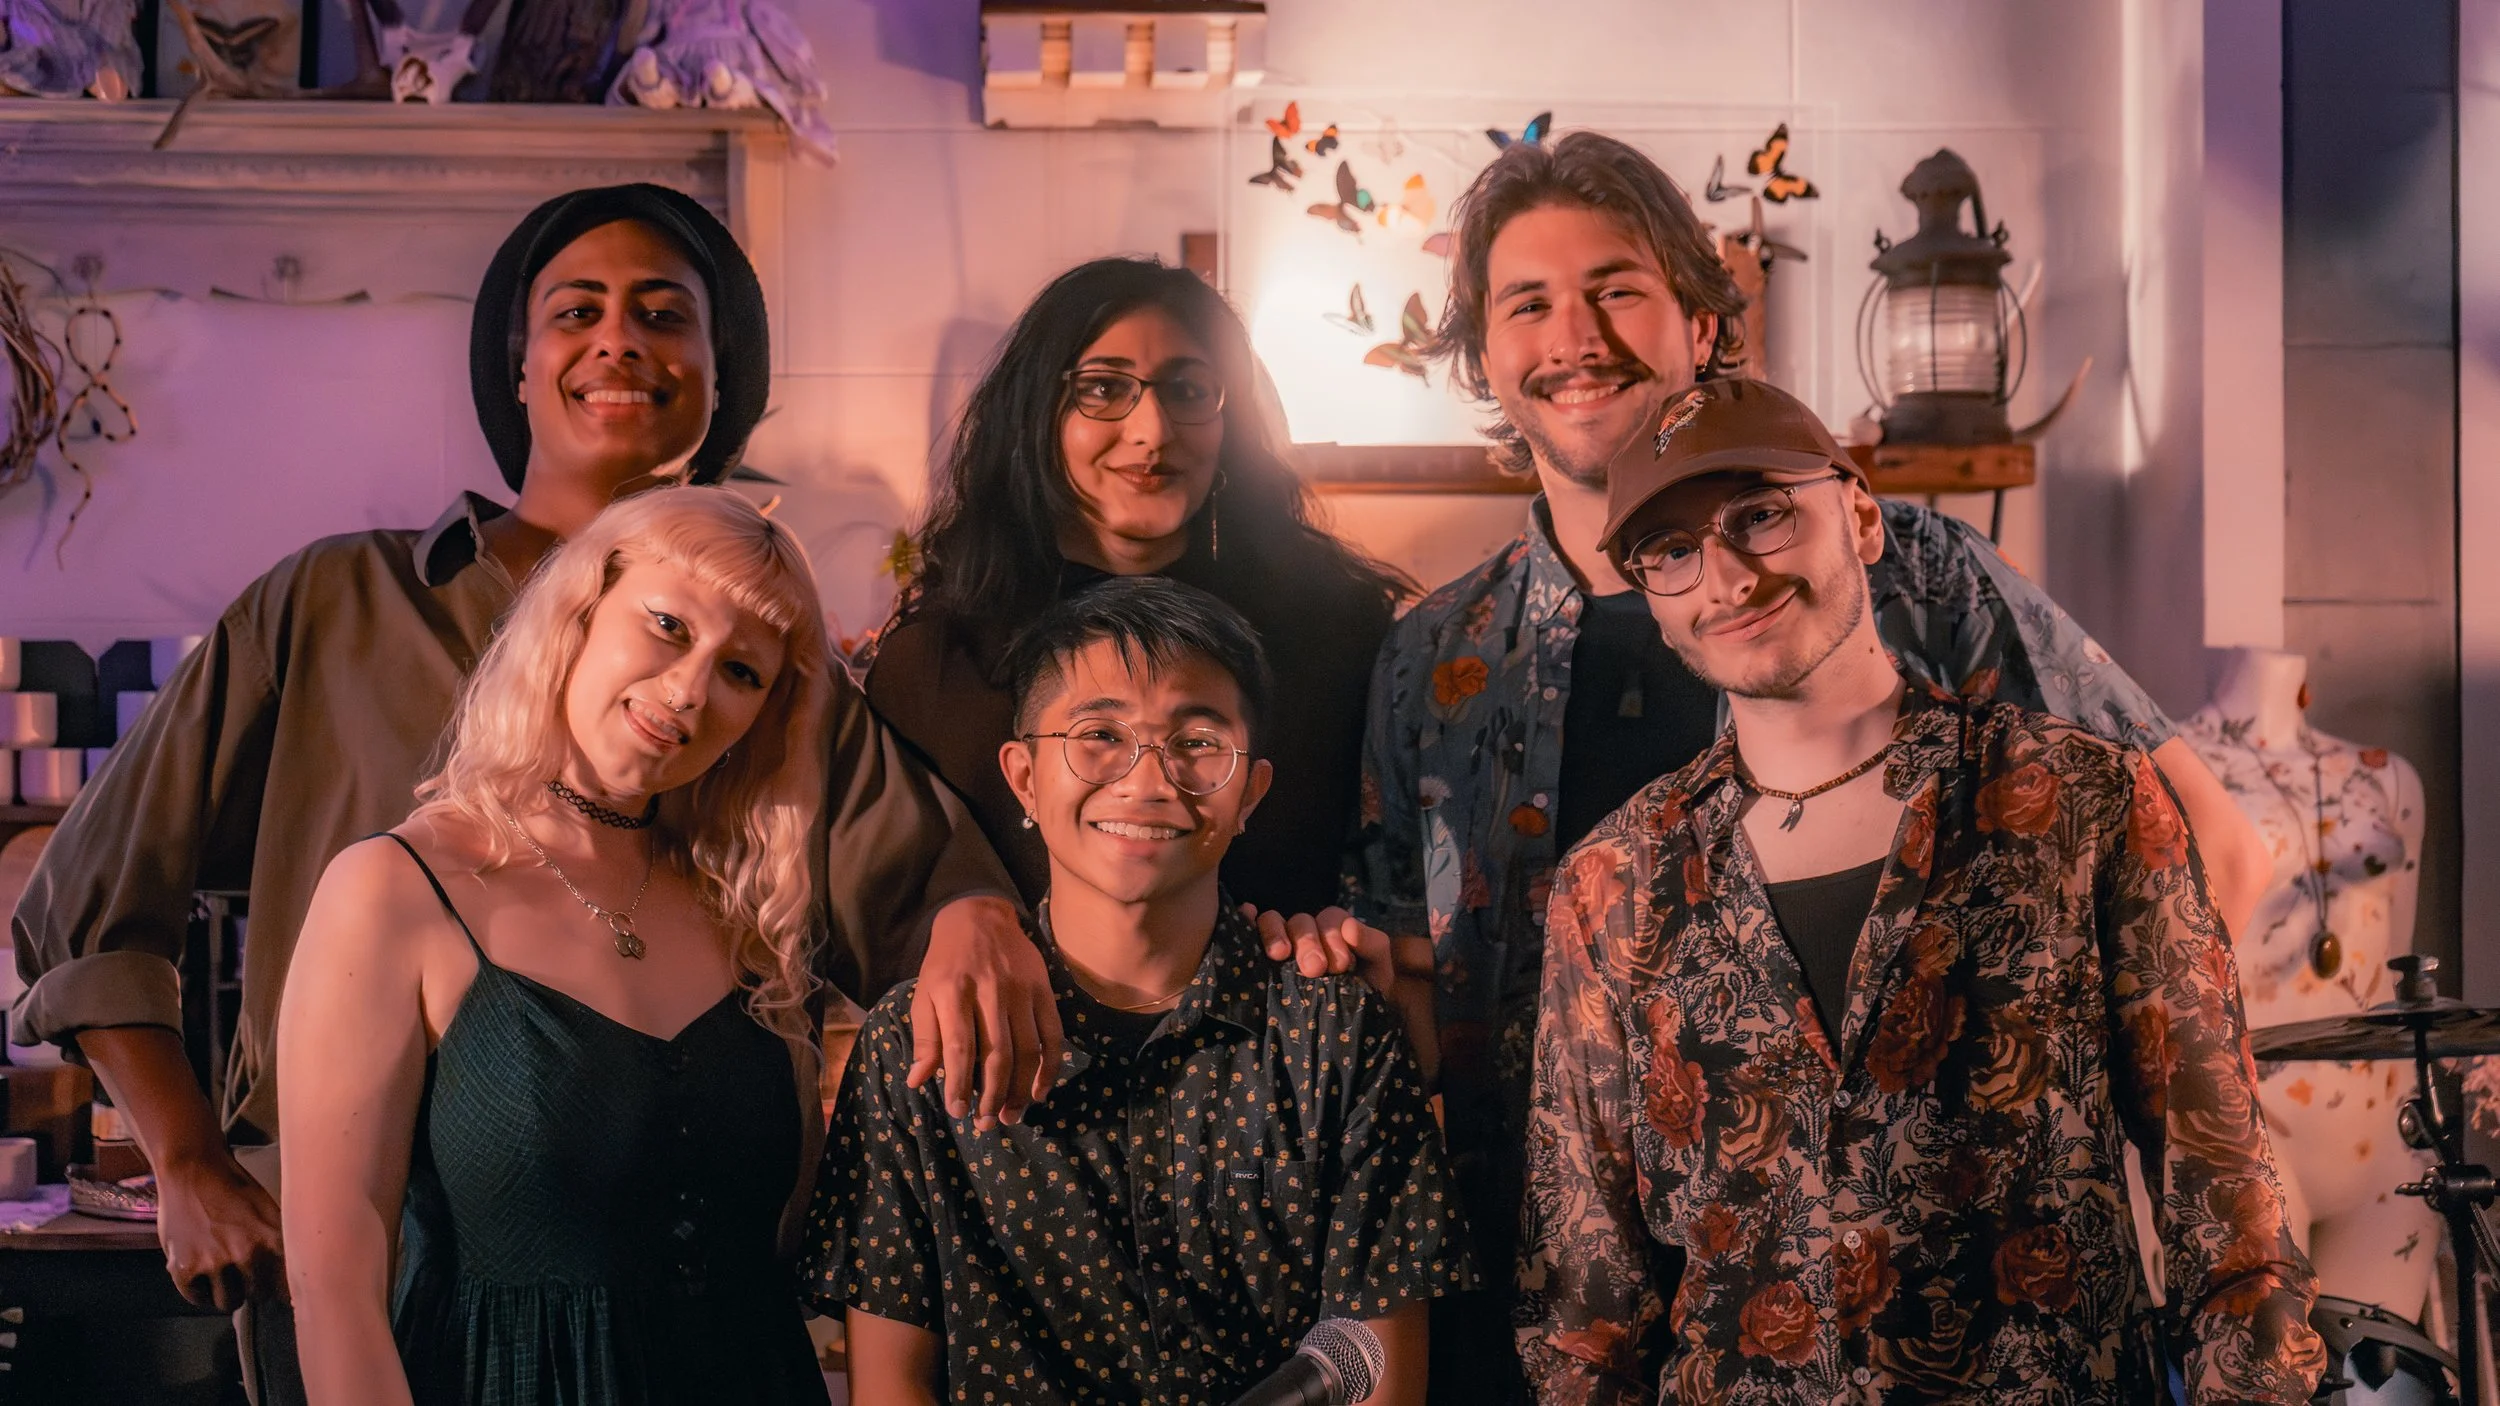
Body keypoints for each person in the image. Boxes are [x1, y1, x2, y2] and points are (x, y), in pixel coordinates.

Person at [8, 184, 1050, 1398]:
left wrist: (976, 908)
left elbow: (923, 881)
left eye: (663, 314)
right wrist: (186, 1156)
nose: (620, 340)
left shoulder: (775, 667)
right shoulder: (329, 605)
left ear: (722, 380)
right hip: (361, 1285)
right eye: (577, 310)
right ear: (517, 367)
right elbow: (86, 907)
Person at [1344, 130, 2276, 1402]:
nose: (1574, 337)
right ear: (1485, 354)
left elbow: (2206, 849)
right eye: (1527, 303)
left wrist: (2028, 1137)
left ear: (1699, 318)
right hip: (1563, 1324)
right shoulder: (1433, 655)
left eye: (1615, 288)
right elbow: (1403, 985)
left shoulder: (1919, 572)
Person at [1517, 376, 2322, 1403]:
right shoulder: (1612, 883)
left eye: (1758, 515)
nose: (1725, 577)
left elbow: (2232, 1226)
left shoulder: (2081, 800)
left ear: (1861, 518)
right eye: (1671, 551)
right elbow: (1583, 1306)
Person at [808, 577, 1468, 1405]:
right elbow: (891, 1383)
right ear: (1024, 778)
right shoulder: (917, 1041)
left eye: (1197, 742)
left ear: (1250, 792)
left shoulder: (1335, 1032)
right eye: (1099, 735)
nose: (1148, 780)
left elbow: (1380, 1376)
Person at [281, 487, 835, 1404]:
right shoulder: (394, 889)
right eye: (667, 626)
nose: (690, 689)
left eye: (741, 672)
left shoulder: (748, 916)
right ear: (579, 612)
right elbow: (333, 1286)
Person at [866, 255, 1411, 916]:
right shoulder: (939, 664)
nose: (1152, 432)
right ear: (1037, 414)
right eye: (1102, 388)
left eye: (1188, 390)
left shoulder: (1332, 631)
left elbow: (1393, 876)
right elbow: (890, 901)